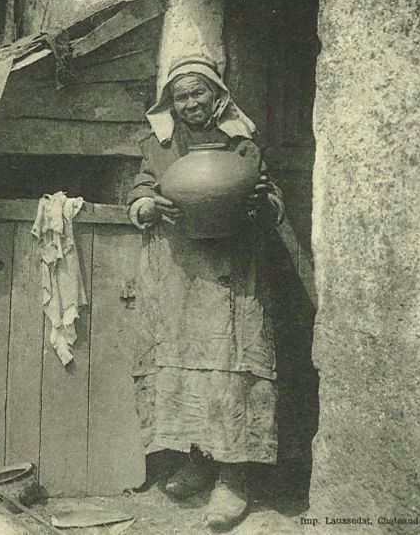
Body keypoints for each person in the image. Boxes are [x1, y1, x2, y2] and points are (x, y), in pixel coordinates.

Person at [127, 54, 284, 530]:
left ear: (217, 97)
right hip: (179, 275)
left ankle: (234, 478)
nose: (191, 103)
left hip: (233, 274)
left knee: (232, 367)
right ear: (170, 103)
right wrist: (149, 206)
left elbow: (273, 200)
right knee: (186, 368)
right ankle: (198, 459)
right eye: (181, 96)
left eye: (199, 93)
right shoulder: (160, 146)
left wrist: (260, 203)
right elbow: (137, 192)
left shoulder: (244, 144)